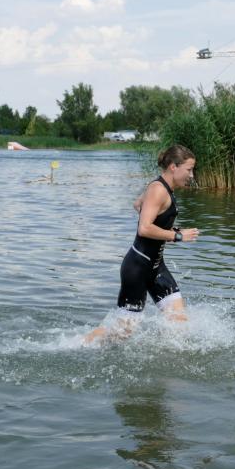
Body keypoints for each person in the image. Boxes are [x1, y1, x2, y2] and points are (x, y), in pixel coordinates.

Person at [84, 145, 200, 343]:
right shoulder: (158, 189)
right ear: (173, 167)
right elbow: (144, 229)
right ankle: (83, 343)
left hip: (156, 268)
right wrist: (177, 236)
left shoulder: (163, 188)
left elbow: (138, 204)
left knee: (179, 323)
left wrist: (167, 229)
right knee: (122, 333)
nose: (191, 175)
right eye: (189, 169)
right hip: (137, 269)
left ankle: (166, 359)